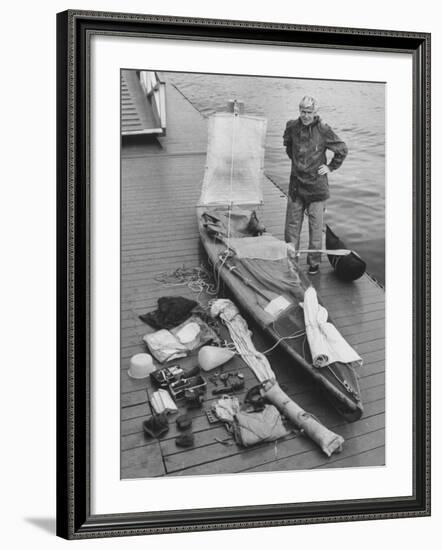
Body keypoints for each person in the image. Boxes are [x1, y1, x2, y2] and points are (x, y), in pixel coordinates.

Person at [283, 96, 348, 275]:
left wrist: (330, 167)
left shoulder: (324, 130)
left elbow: (342, 149)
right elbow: (288, 146)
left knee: (316, 227)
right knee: (292, 226)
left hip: (317, 187)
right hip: (296, 185)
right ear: (299, 111)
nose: (305, 115)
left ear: (315, 112)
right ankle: (291, 260)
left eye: (309, 112)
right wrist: (298, 164)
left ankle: (313, 262)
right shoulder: (291, 126)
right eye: (303, 111)